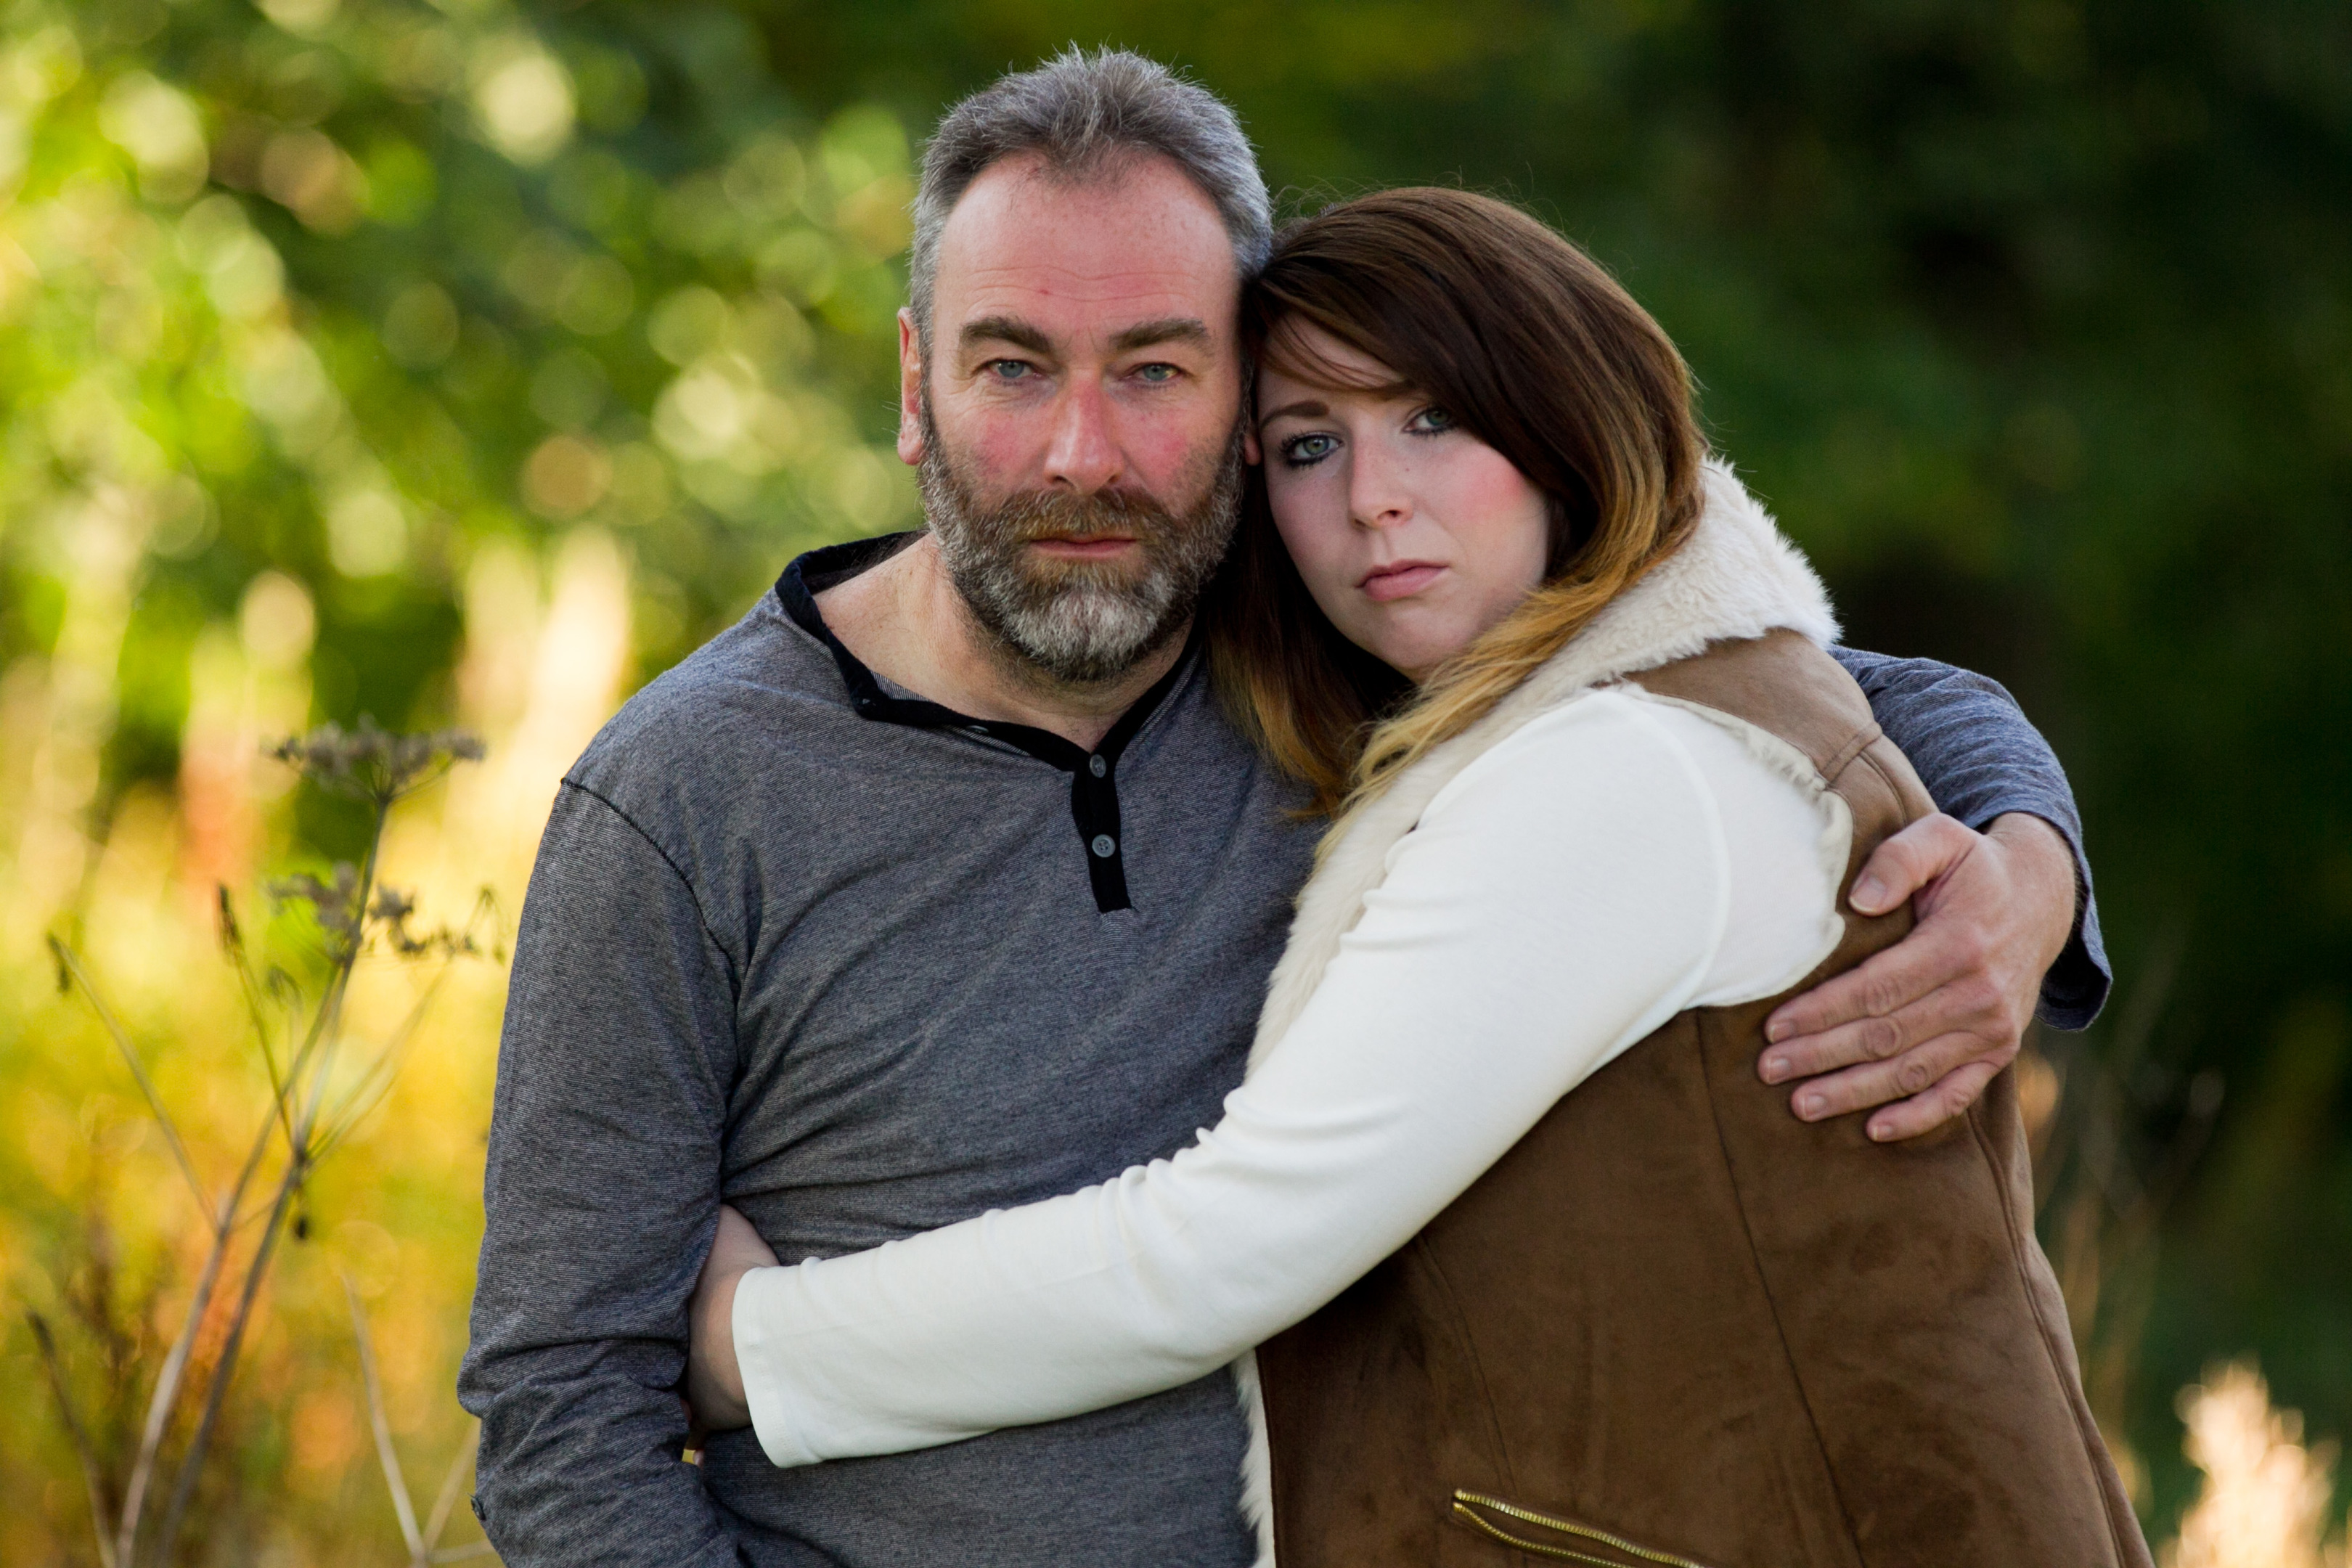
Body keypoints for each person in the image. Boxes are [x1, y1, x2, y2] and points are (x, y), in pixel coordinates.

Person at [460, 49, 2107, 1568]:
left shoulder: (1354, 648)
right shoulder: (684, 800)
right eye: (1012, 366)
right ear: (915, 385)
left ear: (1240, 410)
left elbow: (1791, 678)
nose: (1081, 453)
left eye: (1156, 371)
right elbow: (562, 1411)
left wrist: (2025, 860)